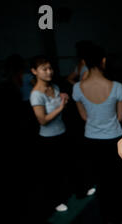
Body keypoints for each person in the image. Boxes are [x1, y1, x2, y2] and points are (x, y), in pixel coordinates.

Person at [72, 44, 122, 224]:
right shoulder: (117, 88)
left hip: (92, 141)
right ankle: (118, 220)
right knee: (116, 182)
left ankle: (106, 219)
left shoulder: (78, 89)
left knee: (101, 182)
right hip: (113, 139)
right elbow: (120, 117)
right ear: (103, 61)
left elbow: (84, 117)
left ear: (84, 63)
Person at [29, 55, 70, 213]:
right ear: (34, 71)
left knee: (65, 167)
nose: (49, 72)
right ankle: (56, 201)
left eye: (50, 68)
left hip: (62, 132)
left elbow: (57, 104)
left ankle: (71, 192)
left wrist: (63, 98)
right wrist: (61, 107)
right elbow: (43, 120)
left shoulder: (54, 86)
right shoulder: (36, 94)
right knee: (52, 173)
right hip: (48, 138)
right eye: (44, 69)